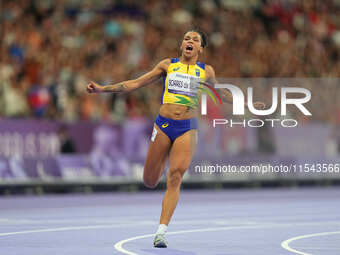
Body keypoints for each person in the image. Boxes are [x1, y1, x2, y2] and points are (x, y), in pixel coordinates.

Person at [87, 29, 265, 248]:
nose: (190, 41)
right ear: (181, 46)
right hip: (163, 125)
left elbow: (221, 94)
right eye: (186, 39)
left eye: (195, 40)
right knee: (150, 181)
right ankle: (160, 162)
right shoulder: (167, 65)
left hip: (187, 128)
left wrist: (246, 104)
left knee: (175, 177)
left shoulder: (206, 71)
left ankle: (161, 231)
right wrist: (103, 89)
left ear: (201, 48)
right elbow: (135, 83)